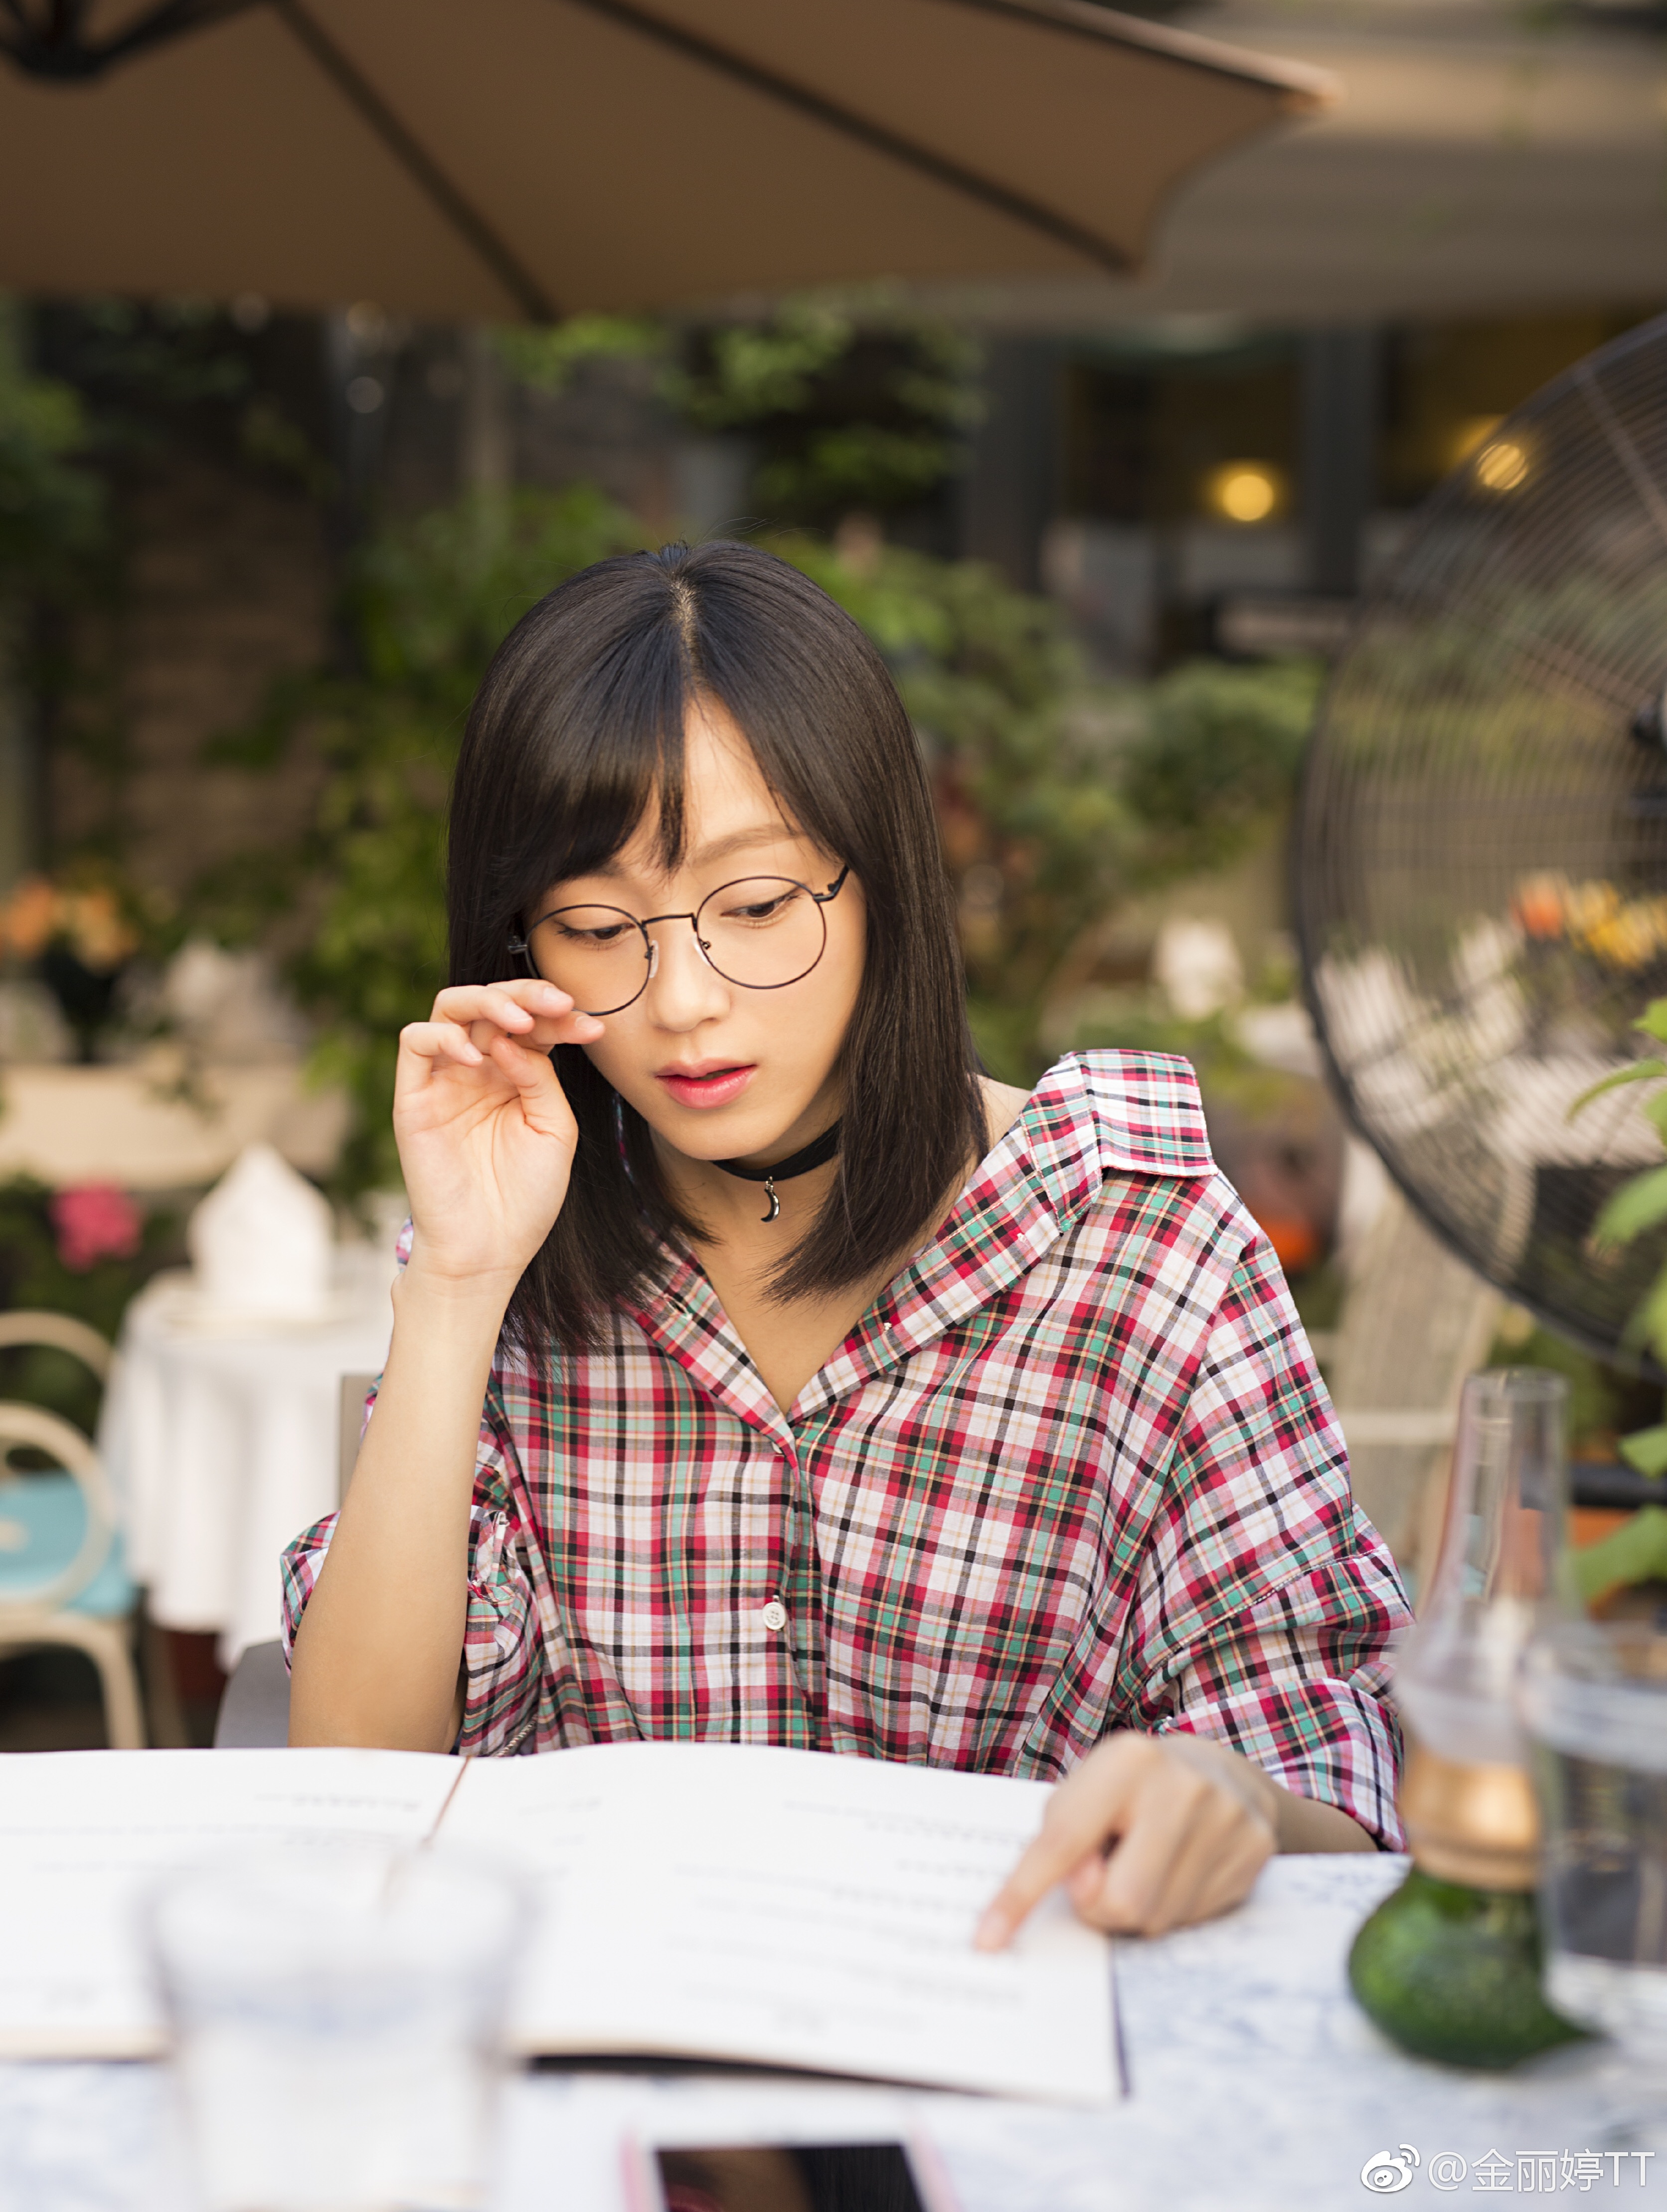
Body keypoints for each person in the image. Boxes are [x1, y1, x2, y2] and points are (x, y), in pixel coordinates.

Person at [286, 541, 1409, 1942]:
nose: (684, 1003)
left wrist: (1214, 1787)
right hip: (614, 2103)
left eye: (757, 908)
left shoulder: (1139, 1240)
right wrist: (455, 1284)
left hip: (1020, 2100)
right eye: (593, 925)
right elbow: (356, 1789)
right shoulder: (516, 1234)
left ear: (884, 882)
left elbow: (1319, 1757)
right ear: (520, 949)